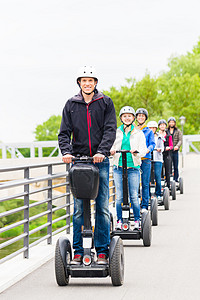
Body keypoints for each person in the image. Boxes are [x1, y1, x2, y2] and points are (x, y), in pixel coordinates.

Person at [58, 66, 117, 265]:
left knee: (101, 207)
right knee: (78, 209)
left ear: (96, 83)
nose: (87, 83)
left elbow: (110, 129)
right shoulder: (71, 104)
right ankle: (78, 251)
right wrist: (66, 152)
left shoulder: (105, 102)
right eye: (84, 80)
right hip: (79, 162)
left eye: (90, 80)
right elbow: (64, 133)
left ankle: (101, 251)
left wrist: (102, 151)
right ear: (79, 83)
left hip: (100, 162)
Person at [110, 106, 147, 229]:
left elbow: (143, 149)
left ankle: (137, 221)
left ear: (133, 118)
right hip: (118, 167)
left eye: (129, 116)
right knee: (119, 196)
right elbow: (110, 145)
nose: (127, 118)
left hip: (133, 167)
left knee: (134, 196)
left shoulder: (138, 133)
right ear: (121, 118)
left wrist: (137, 152)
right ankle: (120, 221)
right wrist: (111, 150)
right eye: (124, 116)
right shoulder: (116, 132)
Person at [136, 108, 156, 212]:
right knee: (134, 183)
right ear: (136, 118)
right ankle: (134, 206)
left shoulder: (148, 131)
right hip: (134, 159)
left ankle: (144, 206)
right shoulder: (133, 130)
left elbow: (152, 143)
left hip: (145, 159)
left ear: (145, 118)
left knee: (145, 183)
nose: (140, 117)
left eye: (142, 116)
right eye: (139, 116)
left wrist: (149, 149)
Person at [147, 121, 164, 202]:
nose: (152, 129)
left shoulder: (159, 137)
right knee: (149, 178)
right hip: (149, 158)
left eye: (153, 128)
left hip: (158, 159)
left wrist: (159, 149)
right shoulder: (146, 136)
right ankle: (149, 195)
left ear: (156, 129)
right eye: (150, 128)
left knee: (157, 176)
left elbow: (162, 148)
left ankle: (158, 194)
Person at [158, 119, 173, 188]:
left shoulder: (168, 135)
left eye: (164, 125)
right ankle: (159, 184)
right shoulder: (157, 135)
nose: (162, 126)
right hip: (158, 154)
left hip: (167, 154)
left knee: (168, 170)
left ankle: (168, 184)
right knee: (159, 171)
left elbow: (171, 145)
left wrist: (168, 148)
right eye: (161, 125)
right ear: (159, 126)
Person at [167, 117, 182, 183]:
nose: (171, 123)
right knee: (168, 166)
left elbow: (180, 140)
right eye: (170, 122)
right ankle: (168, 178)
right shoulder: (166, 131)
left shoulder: (178, 131)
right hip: (168, 151)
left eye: (173, 122)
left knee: (175, 166)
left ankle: (176, 179)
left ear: (174, 123)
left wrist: (177, 146)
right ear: (168, 123)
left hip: (175, 151)